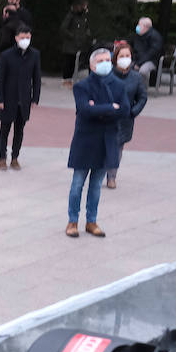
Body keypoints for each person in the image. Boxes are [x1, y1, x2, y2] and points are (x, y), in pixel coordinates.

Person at [66, 48, 127, 239]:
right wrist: (110, 107)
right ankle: (72, 221)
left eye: (107, 59)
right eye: (100, 60)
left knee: (96, 186)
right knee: (77, 184)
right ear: (92, 65)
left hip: (107, 141)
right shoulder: (82, 86)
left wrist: (98, 109)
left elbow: (124, 110)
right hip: (86, 140)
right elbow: (84, 110)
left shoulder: (118, 85)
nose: (105, 63)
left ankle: (91, 221)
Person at [0, 25, 41, 172]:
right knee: (4, 129)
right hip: (8, 98)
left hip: (24, 99)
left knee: (19, 130)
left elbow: (37, 78)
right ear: (16, 38)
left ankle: (15, 158)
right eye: (22, 38)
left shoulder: (34, 55)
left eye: (28, 37)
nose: (25, 40)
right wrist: (0, 99)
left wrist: (35, 98)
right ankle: (2, 158)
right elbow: (0, 79)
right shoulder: (6, 55)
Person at [105, 40, 148, 189]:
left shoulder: (136, 77)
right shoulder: (107, 73)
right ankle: (98, 172)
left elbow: (142, 97)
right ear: (115, 58)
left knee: (117, 147)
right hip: (107, 116)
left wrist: (133, 111)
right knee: (104, 145)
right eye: (121, 55)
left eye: (127, 55)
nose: (125, 58)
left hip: (125, 119)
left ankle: (112, 176)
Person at [58, 0, 92, 86]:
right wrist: (72, 36)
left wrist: (86, 35)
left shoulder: (84, 17)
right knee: (68, 62)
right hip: (70, 45)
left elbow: (86, 28)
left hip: (79, 44)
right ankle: (66, 80)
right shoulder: (71, 15)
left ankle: (72, 80)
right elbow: (63, 28)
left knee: (75, 63)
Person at [130, 16, 163, 84]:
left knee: (143, 71)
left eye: (139, 25)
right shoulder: (138, 35)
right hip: (137, 60)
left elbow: (150, 54)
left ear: (146, 27)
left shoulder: (155, 37)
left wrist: (138, 64)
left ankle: (142, 91)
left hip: (151, 61)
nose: (137, 26)